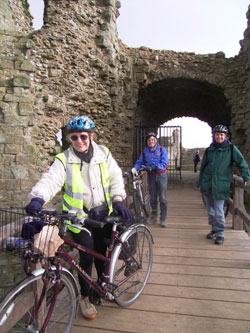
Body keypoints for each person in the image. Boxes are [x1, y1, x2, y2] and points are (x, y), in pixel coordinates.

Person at [25, 115, 132, 320]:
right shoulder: (64, 159)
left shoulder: (103, 153)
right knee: (87, 254)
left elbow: (116, 176)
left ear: (91, 136)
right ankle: (85, 296)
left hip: (103, 213)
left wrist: (118, 199)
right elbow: (50, 180)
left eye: (83, 136)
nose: (79, 141)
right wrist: (38, 198)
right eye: (74, 137)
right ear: (69, 139)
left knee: (103, 252)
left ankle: (102, 284)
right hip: (78, 219)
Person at [197, 124, 250, 245]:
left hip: (221, 184)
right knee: (210, 210)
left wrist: (246, 176)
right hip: (207, 183)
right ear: (214, 136)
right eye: (217, 134)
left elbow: (241, 162)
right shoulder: (209, 150)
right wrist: (200, 183)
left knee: (219, 210)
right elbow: (203, 167)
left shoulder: (231, 149)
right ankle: (214, 229)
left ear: (225, 136)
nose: (219, 137)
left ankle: (220, 233)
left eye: (221, 135)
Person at [133, 132, 168, 227]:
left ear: (155, 140)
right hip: (151, 176)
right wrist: (134, 168)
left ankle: (163, 218)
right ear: (147, 142)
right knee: (152, 197)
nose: (151, 141)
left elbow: (164, 163)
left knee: (163, 198)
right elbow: (140, 161)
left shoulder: (162, 149)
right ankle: (154, 216)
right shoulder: (145, 151)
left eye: (152, 139)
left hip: (161, 175)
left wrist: (153, 166)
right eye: (149, 140)